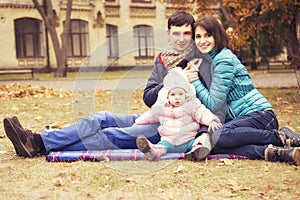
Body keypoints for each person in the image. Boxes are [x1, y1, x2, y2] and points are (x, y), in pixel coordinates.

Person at [3, 11, 211, 159]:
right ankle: (38, 140)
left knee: (108, 135)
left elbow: (208, 104)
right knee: (102, 118)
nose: (182, 39)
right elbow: (148, 98)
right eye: (176, 33)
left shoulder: (200, 61)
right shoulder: (164, 59)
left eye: (186, 33)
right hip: (155, 116)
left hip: (170, 131)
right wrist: (173, 81)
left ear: (192, 34)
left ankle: (37, 144)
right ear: (168, 34)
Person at [183, 16, 300, 165]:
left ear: (217, 36)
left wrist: (195, 81)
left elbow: (214, 104)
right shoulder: (206, 62)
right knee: (211, 144)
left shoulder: (223, 59)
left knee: (218, 136)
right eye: (198, 36)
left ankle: (280, 137)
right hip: (242, 122)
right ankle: (276, 152)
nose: (202, 41)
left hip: (260, 117)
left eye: (208, 35)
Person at [135, 67, 222, 160]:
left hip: (188, 140)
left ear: (186, 94)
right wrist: (138, 122)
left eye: (180, 94)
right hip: (168, 141)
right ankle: (152, 152)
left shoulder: (192, 105)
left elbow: (203, 113)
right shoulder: (162, 108)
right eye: (173, 94)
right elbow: (150, 115)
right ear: (167, 96)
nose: (177, 98)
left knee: (198, 144)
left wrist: (212, 120)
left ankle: (196, 153)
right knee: (161, 147)